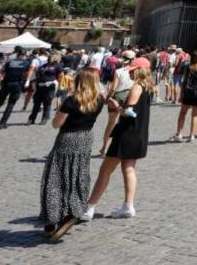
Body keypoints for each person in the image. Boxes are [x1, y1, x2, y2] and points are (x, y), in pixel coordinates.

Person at [40, 68, 105, 241]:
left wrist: (62, 105)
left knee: (56, 176)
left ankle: (52, 218)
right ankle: (73, 211)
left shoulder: (72, 100)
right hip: (86, 138)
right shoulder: (99, 100)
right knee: (77, 174)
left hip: (68, 138)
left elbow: (56, 123)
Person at [85, 63, 152, 220]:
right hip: (139, 133)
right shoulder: (148, 87)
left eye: (132, 70)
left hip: (126, 133)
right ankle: (128, 206)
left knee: (105, 170)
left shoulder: (137, 87)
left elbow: (130, 112)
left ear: (138, 70)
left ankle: (89, 207)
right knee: (128, 168)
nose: (130, 73)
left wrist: (117, 106)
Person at [0, 46, 33, 130]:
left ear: (17, 54)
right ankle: (2, 123)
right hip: (17, 84)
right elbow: (26, 74)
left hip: (7, 83)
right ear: (25, 55)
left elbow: (3, 72)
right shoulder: (26, 63)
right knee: (10, 104)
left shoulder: (9, 62)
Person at [170, 50, 197, 142]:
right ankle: (192, 136)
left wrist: (181, 95)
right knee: (195, 115)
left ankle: (179, 134)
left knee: (183, 113)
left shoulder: (189, 67)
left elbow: (184, 82)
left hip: (188, 93)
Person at [29, 52, 63, 125]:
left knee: (47, 104)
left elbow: (60, 77)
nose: (49, 58)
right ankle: (32, 118)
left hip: (50, 88)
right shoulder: (43, 66)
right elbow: (38, 74)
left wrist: (56, 83)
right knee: (36, 103)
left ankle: (45, 118)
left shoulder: (58, 66)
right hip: (40, 87)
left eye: (51, 57)